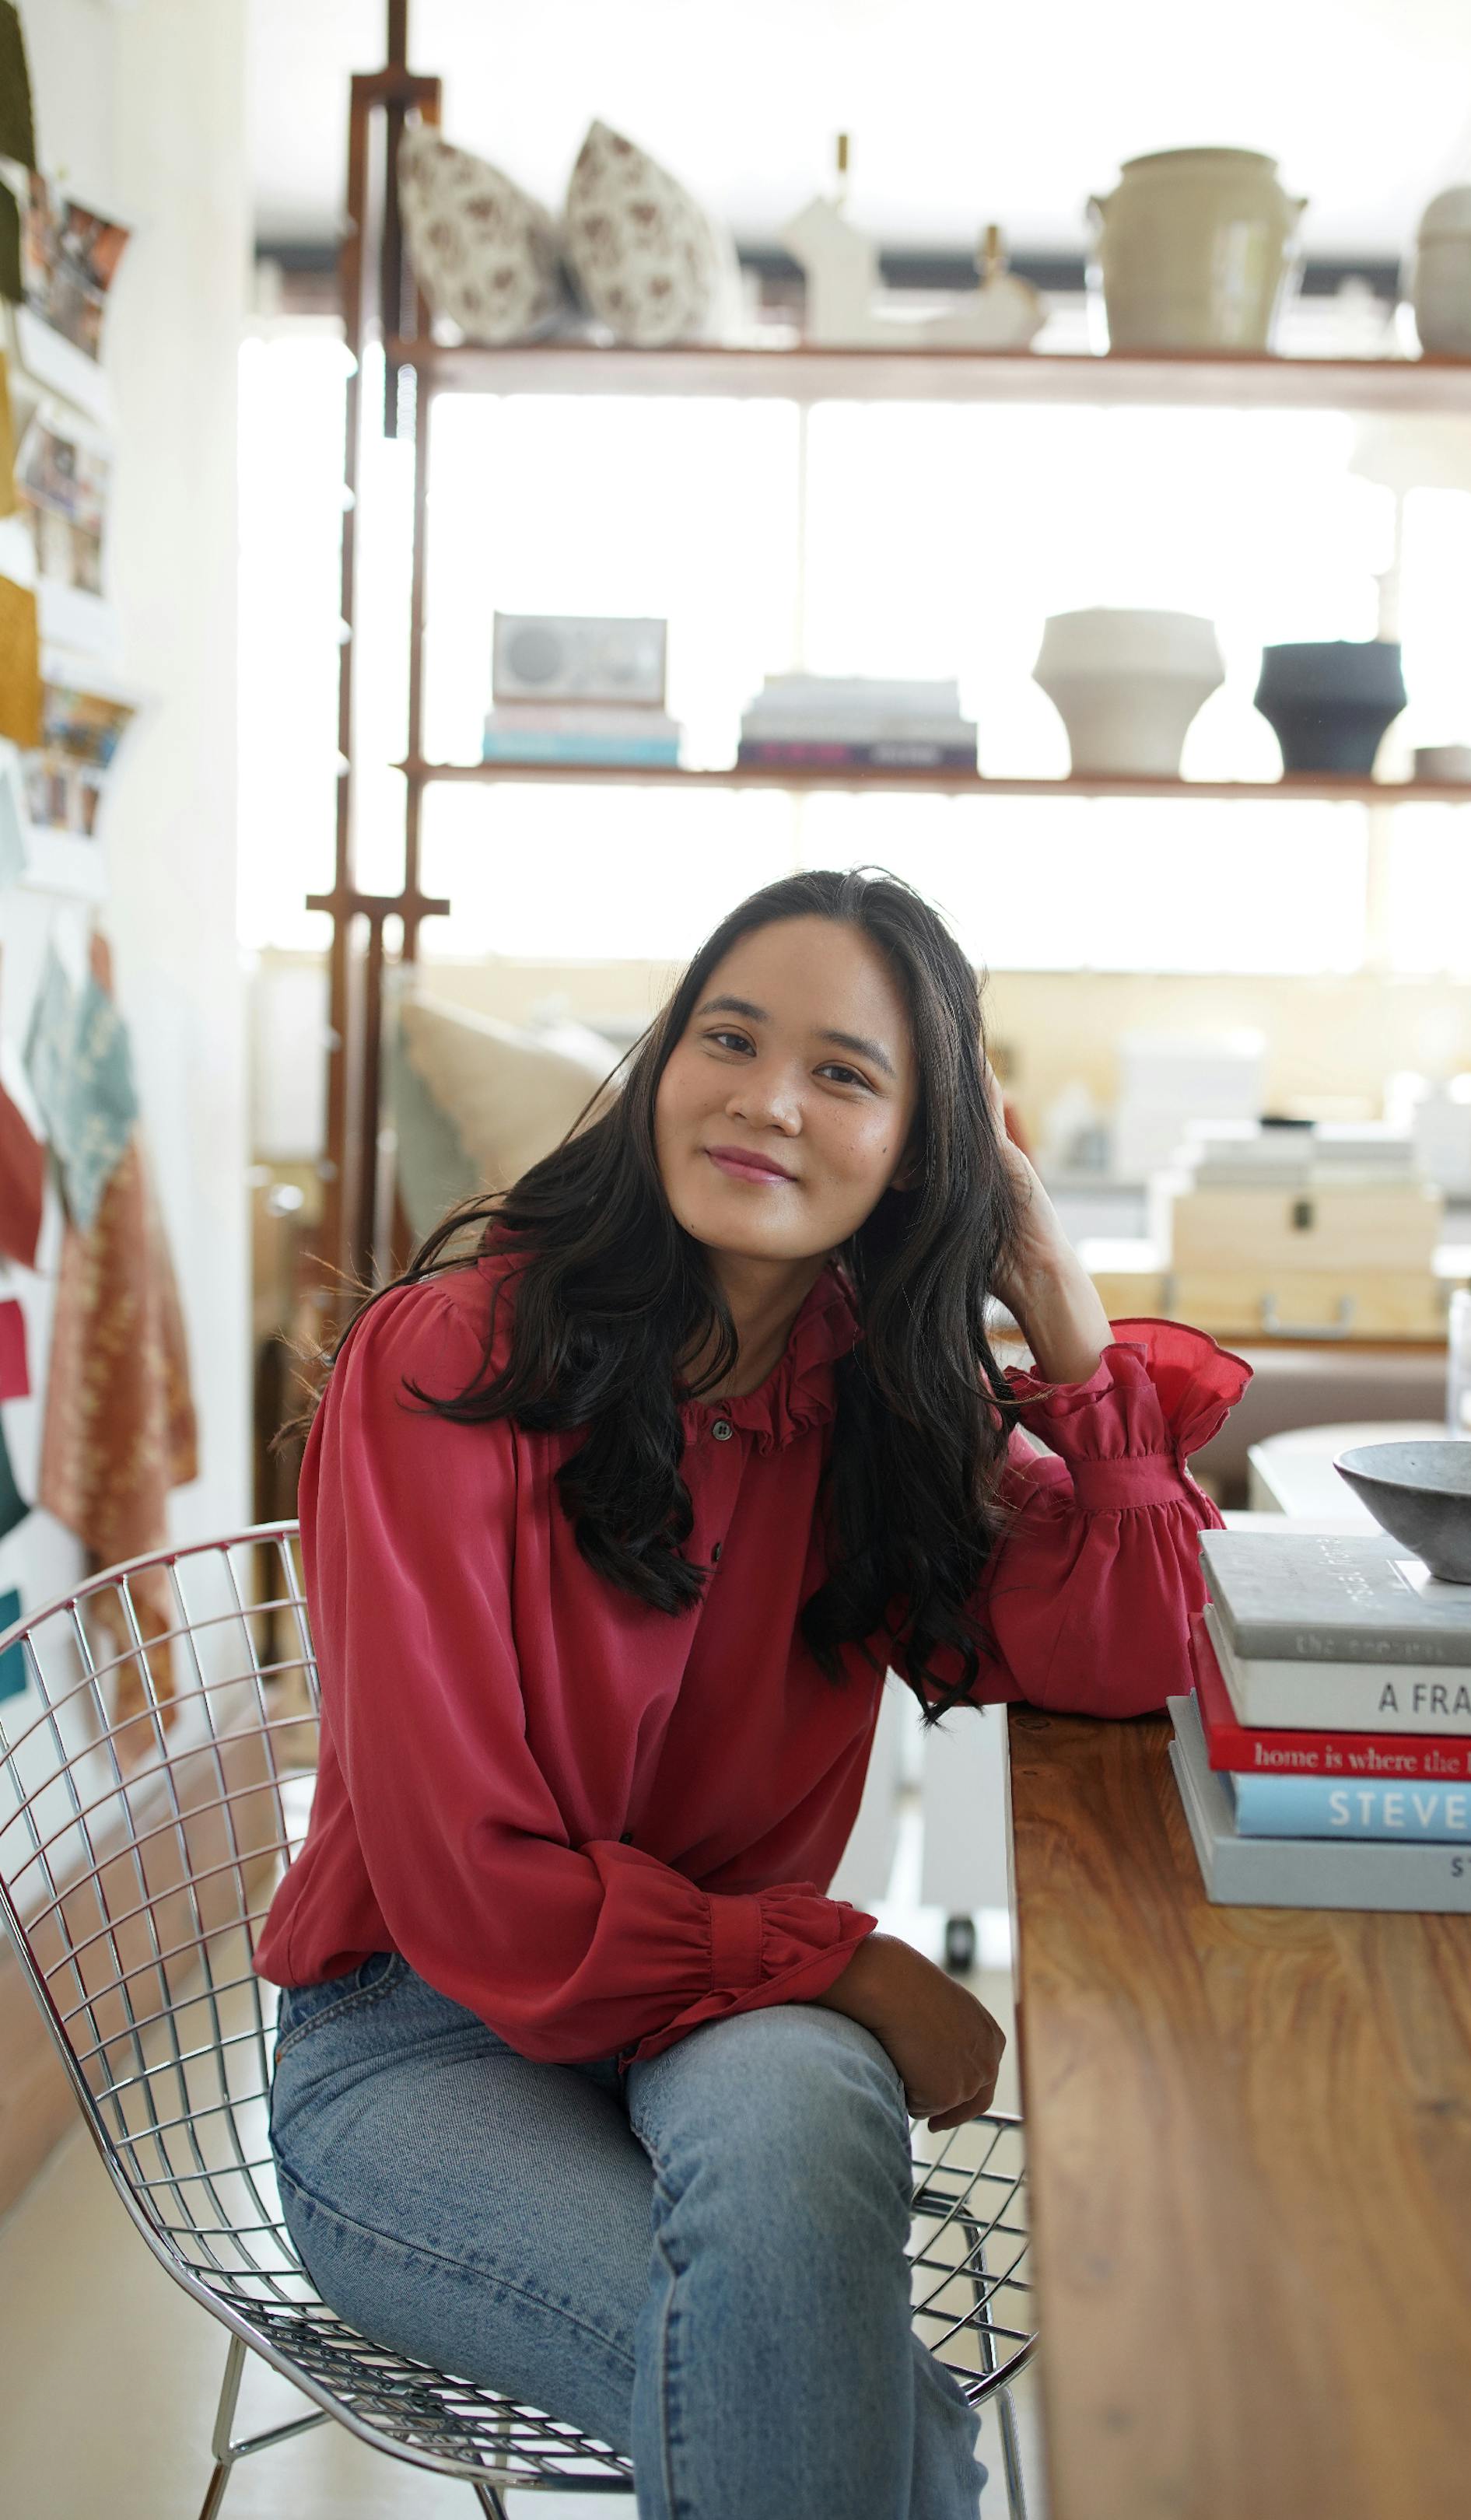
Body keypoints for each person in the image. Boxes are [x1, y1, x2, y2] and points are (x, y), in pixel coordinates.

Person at [256, 866, 1249, 2520]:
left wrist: (1066, 1312)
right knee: (831, 2390)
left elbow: (1138, 1647)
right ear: (664, 1065)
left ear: (925, 1152)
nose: (768, 1102)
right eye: (729, 1037)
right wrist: (842, 1955)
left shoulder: (876, 1405)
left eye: (846, 1074)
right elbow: (469, 1895)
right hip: (420, 2039)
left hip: (737, 2018)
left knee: (796, 2298)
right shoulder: (448, 1365)